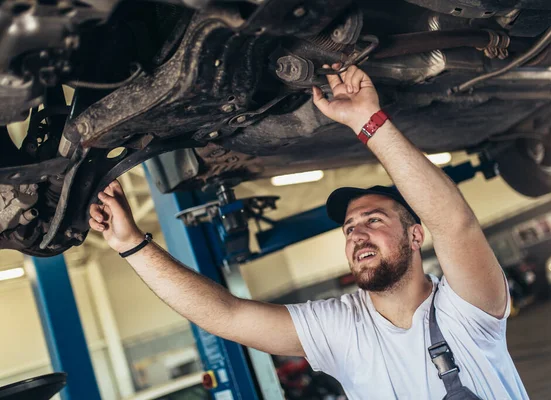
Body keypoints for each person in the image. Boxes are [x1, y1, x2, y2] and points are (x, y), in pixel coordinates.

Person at [89, 64, 528, 399]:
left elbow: (454, 223)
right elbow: (227, 316)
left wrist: (367, 122)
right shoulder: (341, 326)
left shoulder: (468, 311)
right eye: (350, 227)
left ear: (415, 235)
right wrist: (133, 246)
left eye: (374, 220)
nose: (356, 234)